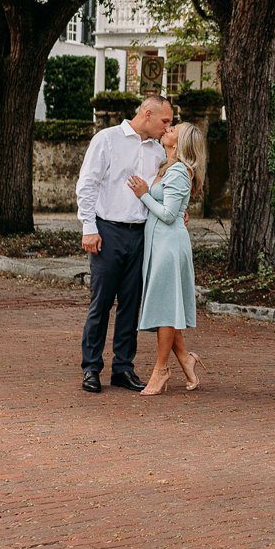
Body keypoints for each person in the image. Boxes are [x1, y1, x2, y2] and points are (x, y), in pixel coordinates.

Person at [75, 94, 174, 393]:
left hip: (142, 233)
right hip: (108, 230)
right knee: (101, 303)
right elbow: (87, 183)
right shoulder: (107, 140)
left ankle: (123, 367)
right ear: (147, 114)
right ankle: (91, 368)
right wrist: (89, 228)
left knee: (131, 304)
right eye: (165, 121)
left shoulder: (158, 151)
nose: (168, 127)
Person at [128, 121, 205, 395]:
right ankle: (186, 359)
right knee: (166, 308)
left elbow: (170, 214)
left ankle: (160, 371)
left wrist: (143, 195)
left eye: (174, 129)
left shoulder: (180, 172)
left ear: (180, 142)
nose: (168, 129)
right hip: (159, 242)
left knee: (165, 310)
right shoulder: (166, 167)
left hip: (169, 246)